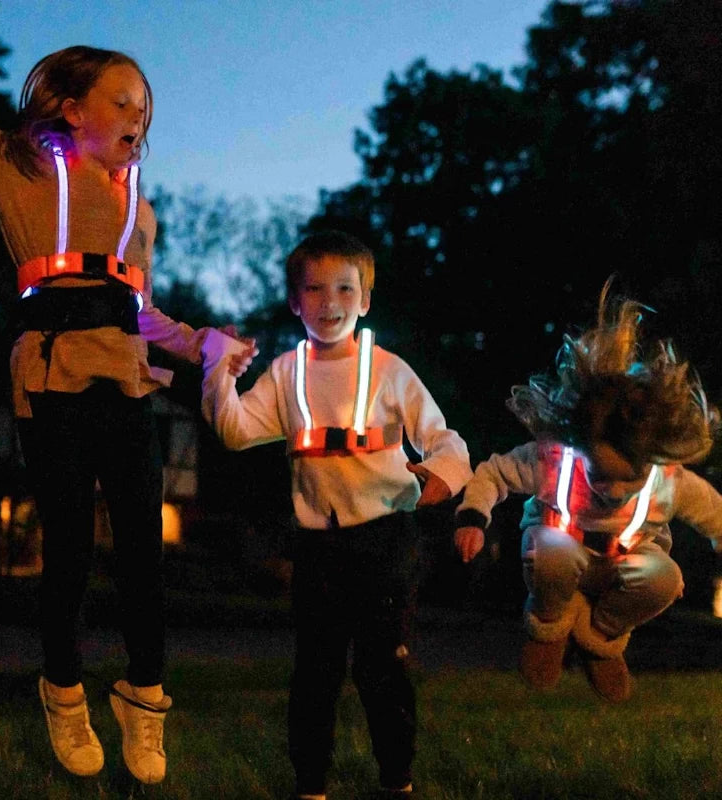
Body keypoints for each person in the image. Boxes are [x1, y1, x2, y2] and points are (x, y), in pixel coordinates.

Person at [0, 0, 253, 784]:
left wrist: (206, 344)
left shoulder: (143, 212)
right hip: (52, 375)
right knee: (67, 543)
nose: (139, 114)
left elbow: (140, 310)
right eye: (122, 99)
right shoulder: (25, 170)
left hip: (124, 378)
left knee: (142, 545)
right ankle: (63, 691)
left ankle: (145, 700)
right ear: (72, 109)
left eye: (145, 104)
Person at [200, 229, 473, 799]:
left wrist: (439, 478)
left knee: (384, 669)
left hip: (386, 540)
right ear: (295, 301)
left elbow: (446, 440)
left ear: (365, 299)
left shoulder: (389, 370)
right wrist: (219, 371)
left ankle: (398, 779)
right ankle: (310, 786)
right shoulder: (284, 373)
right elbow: (233, 430)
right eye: (315, 290)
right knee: (315, 672)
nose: (331, 303)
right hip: (318, 546)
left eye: (345, 289)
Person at [454, 280, 722, 703]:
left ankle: (601, 636)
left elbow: (715, 513)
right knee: (552, 550)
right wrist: (473, 517)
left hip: (626, 563)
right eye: (600, 474)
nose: (612, 491)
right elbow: (494, 474)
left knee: (666, 580)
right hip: (561, 551)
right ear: (580, 447)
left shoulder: (668, 481)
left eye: (626, 479)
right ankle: (549, 624)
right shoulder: (554, 460)